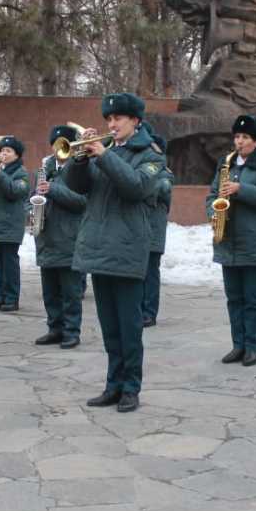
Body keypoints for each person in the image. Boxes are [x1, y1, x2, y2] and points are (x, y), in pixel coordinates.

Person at [65, 93, 164, 413]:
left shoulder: (151, 155)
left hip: (128, 249)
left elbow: (136, 186)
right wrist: (80, 158)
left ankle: (131, 388)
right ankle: (113, 384)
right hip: (99, 247)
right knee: (109, 326)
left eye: (118, 119)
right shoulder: (104, 153)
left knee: (129, 327)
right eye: (109, 119)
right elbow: (76, 187)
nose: (112, 124)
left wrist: (104, 155)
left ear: (135, 121)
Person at [208, 115, 256, 366]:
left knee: (252, 299)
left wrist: (241, 190)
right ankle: (237, 345)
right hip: (228, 241)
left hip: (253, 243)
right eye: (237, 137)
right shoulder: (226, 165)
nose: (239, 142)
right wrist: (212, 212)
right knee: (234, 298)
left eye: (245, 138)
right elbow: (212, 194)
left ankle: (252, 346)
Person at [34, 125, 87, 349]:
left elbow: (82, 201)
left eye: (64, 143)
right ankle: (54, 328)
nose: (59, 149)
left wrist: (53, 189)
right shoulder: (45, 168)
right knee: (50, 292)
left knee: (70, 292)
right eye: (55, 145)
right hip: (47, 238)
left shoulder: (80, 169)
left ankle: (71, 331)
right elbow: (34, 195)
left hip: (70, 237)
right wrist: (33, 204)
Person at [0, 136, 30, 312]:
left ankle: (11, 298)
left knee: (9, 264)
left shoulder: (21, 173)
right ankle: (0, 296)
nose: (3, 154)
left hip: (10, 226)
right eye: (2, 151)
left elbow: (15, 191)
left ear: (17, 154)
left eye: (8, 151)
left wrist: (0, 176)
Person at [141, 125, 173, 327]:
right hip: (138, 229)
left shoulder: (165, 172)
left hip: (153, 231)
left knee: (150, 273)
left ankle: (149, 312)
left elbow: (163, 188)